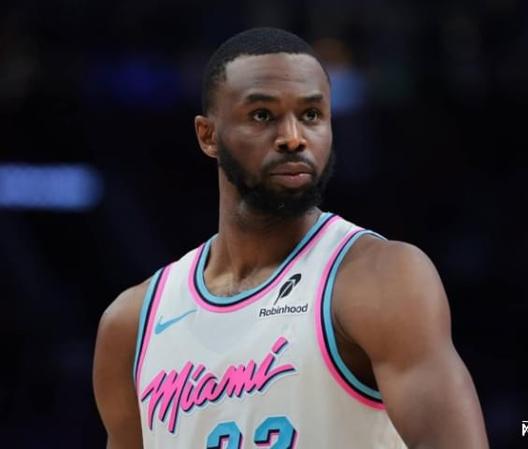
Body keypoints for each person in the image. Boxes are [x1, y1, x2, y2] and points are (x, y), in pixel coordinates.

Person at [93, 27, 489, 449]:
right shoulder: (132, 324)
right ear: (208, 136)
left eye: (311, 115)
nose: (293, 137)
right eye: (262, 115)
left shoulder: (379, 279)